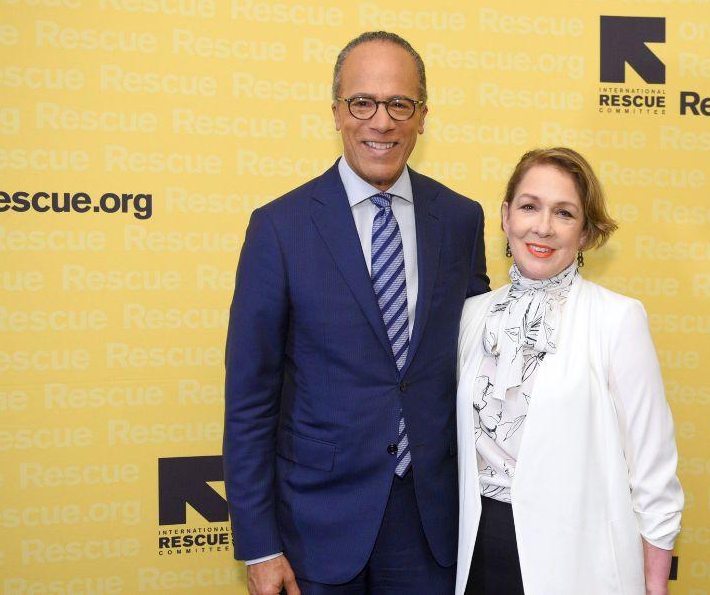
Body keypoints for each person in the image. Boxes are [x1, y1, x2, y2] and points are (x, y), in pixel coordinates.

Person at [224, 31, 489, 595]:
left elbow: (478, 366)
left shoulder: (462, 220)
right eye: (362, 103)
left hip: (431, 523)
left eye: (400, 104)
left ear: (422, 116)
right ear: (337, 113)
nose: (381, 121)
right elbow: (250, 398)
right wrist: (259, 543)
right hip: (313, 526)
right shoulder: (278, 227)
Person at [454, 148, 683, 595]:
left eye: (563, 213)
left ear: (584, 234)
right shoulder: (470, 316)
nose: (542, 227)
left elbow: (652, 471)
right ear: (505, 217)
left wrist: (655, 586)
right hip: (476, 555)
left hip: (579, 564)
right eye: (528, 207)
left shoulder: (617, 320)